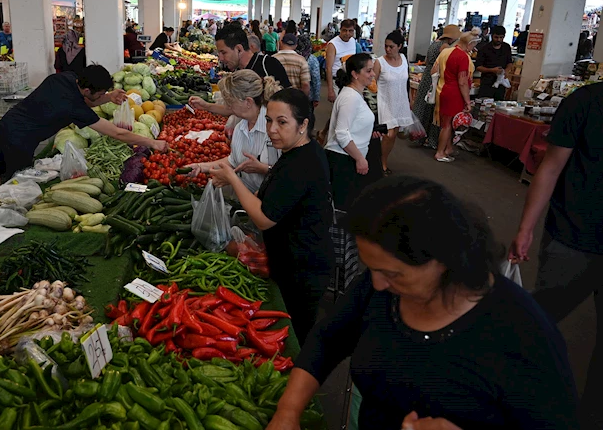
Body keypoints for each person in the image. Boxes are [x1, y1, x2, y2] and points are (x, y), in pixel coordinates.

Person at [267, 176, 579, 430]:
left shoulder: (525, 334)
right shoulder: (381, 288)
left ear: (443, 260)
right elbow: (328, 338)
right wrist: (288, 410)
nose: (376, 283)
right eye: (370, 268)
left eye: (391, 273)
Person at [509, 82, 603, 430]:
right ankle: (503, 390)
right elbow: (550, 168)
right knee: (538, 320)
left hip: (574, 237)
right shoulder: (585, 102)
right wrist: (525, 228)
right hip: (572, 237)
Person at [209, 88, 333, 341]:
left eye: (282, 122)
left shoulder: (301, 163)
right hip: (294, 258)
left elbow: (264, 218)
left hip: (303, 267)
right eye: (269, 120)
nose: (272, 129)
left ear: (303, 124)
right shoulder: (296, 154)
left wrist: (233, 177)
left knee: (297, 335)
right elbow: (272, 198)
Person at [0, 65, 168, 197]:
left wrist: (108, 97)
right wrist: (152, 143)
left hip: (10, 122)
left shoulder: (65, 78)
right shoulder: (73, 107)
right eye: (100, 93)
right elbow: (117, 133)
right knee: (18, 178)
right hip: (20, 137)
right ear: (86, 89)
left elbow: (87, 100)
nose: (102, 97)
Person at [187, 70, 281, 193]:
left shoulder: (276, 129)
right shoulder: (240, 128)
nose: (227, 106)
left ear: (248, 102)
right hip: (248, 197)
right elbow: (233, 161)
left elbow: (295, 173)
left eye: (230, 102)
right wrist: (200, 167)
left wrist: (264, 168)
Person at [324, 53, 377, 208]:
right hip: (343, 160)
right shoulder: (350, 97)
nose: (373, 74)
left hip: (347, 158)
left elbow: (352, 124)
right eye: (368, 71)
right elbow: (342, 133)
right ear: (355, 74)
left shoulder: (355, 94)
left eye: (372, 70)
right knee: (342, 210)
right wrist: (360, 158)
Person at [432, 28, 480, 162]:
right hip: (454, 93)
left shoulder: (446, 52)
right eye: (473, 46)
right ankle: (440, 152)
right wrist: (468, 101)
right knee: (447, 125)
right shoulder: (463, 57)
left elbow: (433, 70)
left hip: (443, 90)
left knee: (446, 122)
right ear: (470, 44)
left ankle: (447, 149)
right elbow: (463, 82)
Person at [411, 24, 461, 150]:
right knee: (433, 111)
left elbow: (428, 61)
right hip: (434, 80)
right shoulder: (444, 47)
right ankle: (432, 140)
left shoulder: (434, 43)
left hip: (427, 77)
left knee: (423, 107)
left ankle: (419, 137)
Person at [208, 23, 291, 95]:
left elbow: (289, 99)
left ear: (239, 49)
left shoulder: (268, 65)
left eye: (224, 53)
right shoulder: (237, 72)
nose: (221, 59)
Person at [374, 30, 413, 174]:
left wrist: (409, 99)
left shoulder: (403, 59)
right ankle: (381, 163)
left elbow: (406, 81)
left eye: (391, 46)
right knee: (388, 134)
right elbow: (372, 85)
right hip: (385, 102)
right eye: (386, 46)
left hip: (400, 101)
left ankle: (383, 160)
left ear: (400, 46)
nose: (388, 49)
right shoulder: (380, 62)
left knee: (393, 135)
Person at [326, 20, 362, 103]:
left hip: (351, 81)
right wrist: (330, 90)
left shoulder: (353, 41)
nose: (347, 33)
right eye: (344, 30)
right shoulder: (333, 45)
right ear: (340, 30)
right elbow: (328, 68)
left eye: (350, 31)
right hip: (337, 82)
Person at [476, 25, 513, 100]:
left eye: (501, 37)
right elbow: (478, 67)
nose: (498, 39)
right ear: (492, 36)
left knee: (498, 104)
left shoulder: (506, 47)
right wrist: (492, 70)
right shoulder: (484, 48)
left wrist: (506, 71)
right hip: (487, 82)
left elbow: (509, 62)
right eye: (496, 37)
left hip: (501, 83)